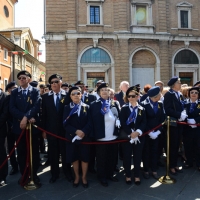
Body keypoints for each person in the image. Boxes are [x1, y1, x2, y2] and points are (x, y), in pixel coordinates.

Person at [9, 70, 41, 185]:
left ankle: (34, 174)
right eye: (20, 78)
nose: (21, 80)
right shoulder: (14, 92)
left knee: (34, 152)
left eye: (23, 77)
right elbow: (12, 108)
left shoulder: (35, 91)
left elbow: (36, 106)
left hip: (32, 127)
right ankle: (24, 174)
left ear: (29, 79)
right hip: (20, 128)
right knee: (21, 152)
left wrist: (26, 117)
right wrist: (24, 118)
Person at [41, 74, 73, 183]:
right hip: (51, 131)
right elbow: (44, 115)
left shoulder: (68, 96)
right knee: (53, 154)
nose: (54, 84)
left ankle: (67, 172)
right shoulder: (45, 97)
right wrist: (44, 131)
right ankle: (54, 174)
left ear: (61, 82)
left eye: (56, 81)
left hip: (64, 131)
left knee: (65, 154)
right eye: (52, 82)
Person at [89, 83, 120, 187]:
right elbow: (91, 121)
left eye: (106, 90)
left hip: (113, 136)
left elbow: (117, 115)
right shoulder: (94, 104)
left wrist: (118, 121)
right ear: (99, 92)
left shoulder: (113, 103)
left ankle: (110, 174)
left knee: (111, 158)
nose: (104, 92)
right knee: (101, 159)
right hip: (101, 137)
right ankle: (102, 177)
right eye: (102, 90)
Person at [63, 86, 91, 188]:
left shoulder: (87, 107)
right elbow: (65, 123)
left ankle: (84, 177)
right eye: (73, 94)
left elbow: (90, 122)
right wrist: (76, 131)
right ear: (70, 96)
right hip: (72, 137)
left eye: (78, 93)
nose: (76, 95)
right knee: (74, 158)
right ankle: (77, 177)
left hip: (85, 137)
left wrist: (83, 132)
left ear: (81, 95)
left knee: (84, 158)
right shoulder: (67, 108)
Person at [120, 86, 146, 185]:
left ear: (137, 96)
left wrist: (138, 132)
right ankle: (127, 175)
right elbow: (123, 122)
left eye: (133, 96)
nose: (130, 98)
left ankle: (137, 175)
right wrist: (131, 133)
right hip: (128, 136)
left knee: (138, 156)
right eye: (129, 96)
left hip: (138, 136)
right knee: (127, 156)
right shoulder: (124, 108)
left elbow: (144, 122)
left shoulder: (141, 108)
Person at [141, 86, 165, 180]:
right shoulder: (143, 104)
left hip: (157, 133)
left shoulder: (160, 104)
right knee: (146, 152)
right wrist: (149, 132)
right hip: (146, 133)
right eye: (159, 95)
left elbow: (162, 118)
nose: (160, 96)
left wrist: (158, 131)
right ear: (155, 97)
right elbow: (143, 120)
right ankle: (146, 170)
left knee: (156, 151)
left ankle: (154, 170)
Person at [164, 76, 186, 175]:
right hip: (172, 123)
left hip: (180, 123)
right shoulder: (169, 94)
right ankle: (171, 166)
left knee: (177, 145)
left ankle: (175, 163)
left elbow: (182, 105)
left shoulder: (180, 94)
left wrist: (184, 113)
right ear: (174, 85)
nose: (180, 84)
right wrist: (179, 115)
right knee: (172, 145)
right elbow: (167, 109)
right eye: (179, 82)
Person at [74, 80, 97, 173]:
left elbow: (93, 113)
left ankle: (90, 168)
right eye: (77, 86)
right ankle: (78, 169)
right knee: (77, 151)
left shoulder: (92, 97)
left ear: (84, 88)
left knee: (89, 152)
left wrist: (86, 129)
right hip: (76, 130)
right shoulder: (72, 97)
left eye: (81, 86)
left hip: (88, 129)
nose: (79, 88)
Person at [183, 87, 200, 171]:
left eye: (196, 93)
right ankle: (189, 162)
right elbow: (181, 114)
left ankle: (198, 163)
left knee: (198, 146)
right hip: (187, 129)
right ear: (188, 94)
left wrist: (195, 120)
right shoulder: (184, 103)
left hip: (198, 129)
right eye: (192, 92)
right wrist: (187, 120)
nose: (193, 94)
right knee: (188, 146)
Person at [5, 81, 19, 175]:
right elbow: (6, 114)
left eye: (15, 88)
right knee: (11, 148)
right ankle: (14, 166)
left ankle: (24, 165)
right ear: (8, 90)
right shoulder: (6, 99)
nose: (14, 90)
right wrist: (11, 124)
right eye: (12, 88)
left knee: (22, 147)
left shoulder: (20, 98)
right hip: (10, 127)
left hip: (20, 126)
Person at [0, 89, 9, 186]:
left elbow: (5, 114)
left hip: (1, 129)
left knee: (1, 153)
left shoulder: (5, 96)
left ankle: (2, 177)